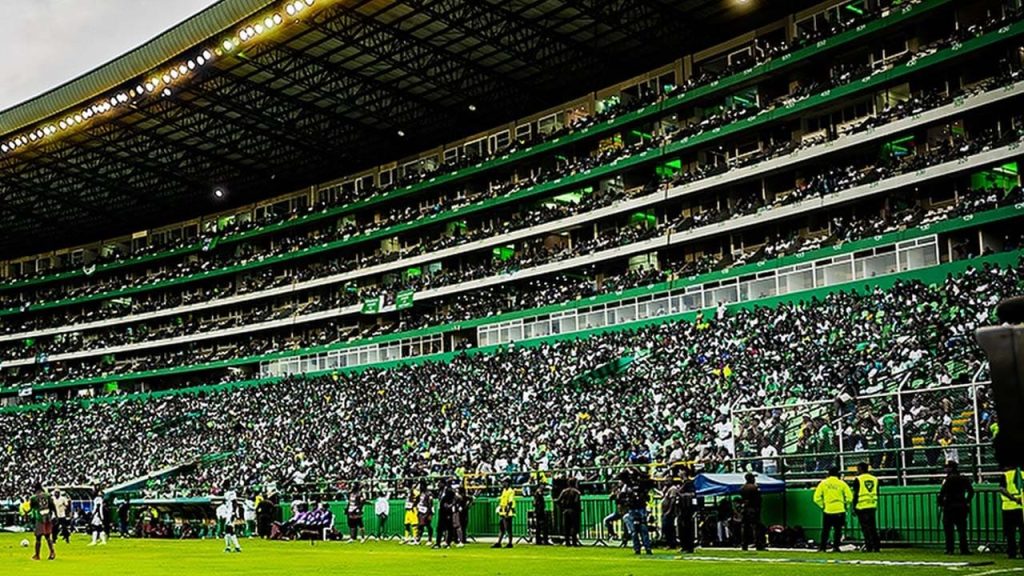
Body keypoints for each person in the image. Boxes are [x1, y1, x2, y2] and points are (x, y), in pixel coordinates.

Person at [937, 461, 974, 555]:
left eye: (947, 467)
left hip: (949, 506)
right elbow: (971, 491)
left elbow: (942, 493)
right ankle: (964, 549)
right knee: (962, 530)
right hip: (961, 505)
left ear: (950, 468)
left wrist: (941, 503)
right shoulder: (963, 478)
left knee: (949, 530)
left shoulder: (948, 479)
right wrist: (967, 501)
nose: (945, 469)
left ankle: (950, 549)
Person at [813, 466, 852, 552]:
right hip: (839, 509)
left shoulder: (823, 483)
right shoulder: (842, 483)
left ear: (828, 473)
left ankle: (822, 547)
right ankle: (836, 547)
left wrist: (823, 505)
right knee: (838, 530)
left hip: (828, 509)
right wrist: (845, 506)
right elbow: (849, 497)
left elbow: (816, 498)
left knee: (826, 530)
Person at [851, 462, 881, 552]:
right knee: (873, 528)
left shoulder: (858, 479)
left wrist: (854, 506)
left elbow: (856, 494)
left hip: (861, 506)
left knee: (865, 528)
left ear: (860, 469)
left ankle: (869, 546)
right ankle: (876, 546)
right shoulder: (875, 479)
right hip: (872, 505)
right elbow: (877, 492)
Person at [625, 469, 653, 555]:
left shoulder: (642, 484)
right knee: (634, 530)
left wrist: (638, 472)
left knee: (643, 529)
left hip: (641, 507)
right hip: (632, 508)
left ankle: (647, 548)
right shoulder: (628, 485)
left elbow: (650, 481)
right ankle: (637, 548)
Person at [997, 466, 1023, 559]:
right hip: (1022, 507)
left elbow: (1002, 489)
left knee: (1010, 533)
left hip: (1009, 507)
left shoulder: (1006, 475)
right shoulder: (1022, 474)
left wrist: (1013, 498)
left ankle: (1012, 552)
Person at [27, 483, 55, 561]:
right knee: (48, 536)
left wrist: (28, 515)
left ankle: (37, 555)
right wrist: (55, 515)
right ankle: (52, 552)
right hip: (48, 517)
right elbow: (52, 506)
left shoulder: (33, 498)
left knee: (38, 537)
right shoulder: (47, 495)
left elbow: (32, 508)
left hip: (39, 518)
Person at [739, 473, 765, 551]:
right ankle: (759, 545)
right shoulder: (754, 488)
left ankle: (744, 544)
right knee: (757, 527)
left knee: (745, 527)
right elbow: (759, 499)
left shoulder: (742, 488)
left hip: (745, 509)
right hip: (753, 509)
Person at [555, 478, 582, 547]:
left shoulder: (564, 491)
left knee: (567, 526)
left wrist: (562, 507)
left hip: (566, 510)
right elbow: (576, 502)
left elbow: (558, 501)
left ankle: (567, 542)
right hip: (574, 510)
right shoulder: (577, 492)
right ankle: (574, 542)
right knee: (574, 526)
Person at [677, 470, 698, 553]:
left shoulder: (689, 483)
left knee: (688, 528)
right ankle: (683, 546)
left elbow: (693, 495)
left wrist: (681, 495)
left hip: (687, 510)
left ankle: (689, 547)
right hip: (681, 510)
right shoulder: (682, 484)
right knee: (681, 529)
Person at [492, 478, 516, 548]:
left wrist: (507, 513)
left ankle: (510, 543)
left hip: (507, 512)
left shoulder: (510, 491)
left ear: (508, 483)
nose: (503, 484)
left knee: (508, 528)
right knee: (501, 528)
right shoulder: (504, 490)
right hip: (502, 511)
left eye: (504, 482)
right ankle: (499, 542)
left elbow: (510, 502)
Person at [661, 478, 680, 550]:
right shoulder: (667, 489)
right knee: (667, 528)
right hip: (665, 511)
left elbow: (673, 500)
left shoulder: (673, 489)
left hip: (669, 512)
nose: (665, 482)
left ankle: (671, 543)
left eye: (667, 481)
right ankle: (669, 543)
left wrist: (669, 510)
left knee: (668, 528)